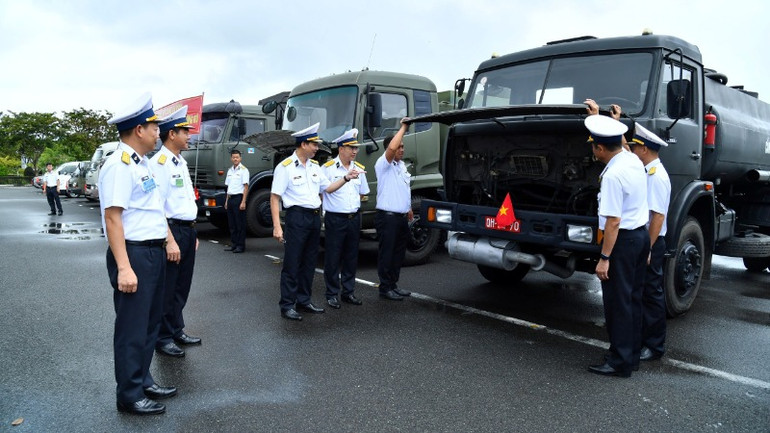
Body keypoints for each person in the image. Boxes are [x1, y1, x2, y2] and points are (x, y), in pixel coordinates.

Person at [99, 92, 179, 415]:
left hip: (152, 253)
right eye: (154, 126)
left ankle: (143, 379)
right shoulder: (119, 165)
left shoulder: (141, 164)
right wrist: (124, 267)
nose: (158, 131)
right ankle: (129, 394)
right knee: (132, 327)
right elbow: (112, 217)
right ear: (138, 130)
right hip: (132, 255)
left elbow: (152, 210)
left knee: (149, 323)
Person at [270, 122, 360, 321]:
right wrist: (277, 226)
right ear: (303, 144)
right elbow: (275, 197)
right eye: (314, 144)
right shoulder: (284, 167)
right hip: (296, 217)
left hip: (313, 217)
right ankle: (287, 304)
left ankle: (303, 300)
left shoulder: (315, 167)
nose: (317, 147)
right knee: (293, 263)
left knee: (309, 262)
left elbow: (327, 189)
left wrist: (346, 178)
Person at [584, 114, 649, 378]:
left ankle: (619, 362)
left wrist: (604, 257)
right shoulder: (632, 159)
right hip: (640, 238)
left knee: (617, 304)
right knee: (633, 299)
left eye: (593, 145)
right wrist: (608, 120)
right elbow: (621, 142)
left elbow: (612, 221)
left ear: (599, 148)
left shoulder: (612, 175)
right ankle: (631, 355)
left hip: (621, 242)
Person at [150, 106, 202, 359]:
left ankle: (176, 328)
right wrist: (170, 240)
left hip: (186, 231)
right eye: (185, 131)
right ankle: (162, 337)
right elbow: (156, 205)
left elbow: (184, 201)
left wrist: (194, 232)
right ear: (172, 134)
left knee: (182, 285)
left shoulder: (179, 161)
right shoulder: (159, 163)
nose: (190, 136)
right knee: (168, 287)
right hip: (172, 232)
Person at [629, 122, 671, 363]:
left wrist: (649, 246)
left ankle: (655, 346)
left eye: (635, 148)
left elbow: (657, 216)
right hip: (648, 241)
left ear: (644, 149)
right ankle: (645, 340)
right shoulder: (648, 170)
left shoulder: (656, 177)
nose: (633, 152)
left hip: (652, 241)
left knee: (651, 294)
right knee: (644, 291)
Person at [321, 128, 369, 309]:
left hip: (353, 218)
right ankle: (332, 293)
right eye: (351, 147)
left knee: (351, 256)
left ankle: (348, 292)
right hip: (335, 218)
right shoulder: (327, 169)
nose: (355, 151)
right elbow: (322, 191)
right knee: (333, 256)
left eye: (356, 147)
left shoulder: (360, 169)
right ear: (341, 149)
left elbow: (363, 193)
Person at [374, 118, 413, 301]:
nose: (401, 149)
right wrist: (403, 128)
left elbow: (403, 188)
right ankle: (385, 288)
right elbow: (390, 149)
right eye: (399, 146)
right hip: (387, 217)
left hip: (401, 216)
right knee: (387, 253)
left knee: (398, 253)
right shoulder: (383, 164)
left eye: (403, 147)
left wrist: (409, 208)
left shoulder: (401, 166)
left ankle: (393, 285)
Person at [224, 149, 249, 253]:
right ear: (231, 158)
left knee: (240, 224)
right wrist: (226, 201)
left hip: (238, 199)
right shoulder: (230, 170)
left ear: (240, 158)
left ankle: (240, 246)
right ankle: (234, 244)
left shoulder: (244, 170)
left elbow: (246, 187)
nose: (235, 159)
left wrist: (243, 201)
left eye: (237, 157)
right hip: (230, 199)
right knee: (232, 224)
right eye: (233, 157)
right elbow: (228, 187)